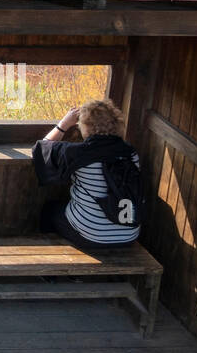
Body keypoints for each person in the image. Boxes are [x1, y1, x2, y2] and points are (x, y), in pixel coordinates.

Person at [32, 98, 142, 250]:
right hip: (129, 235)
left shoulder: (79, 154)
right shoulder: (131, 153)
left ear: (85, 127)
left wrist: (64, 124)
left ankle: (52, 264)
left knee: (50, 210)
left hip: (92, 236)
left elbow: (41, 148)